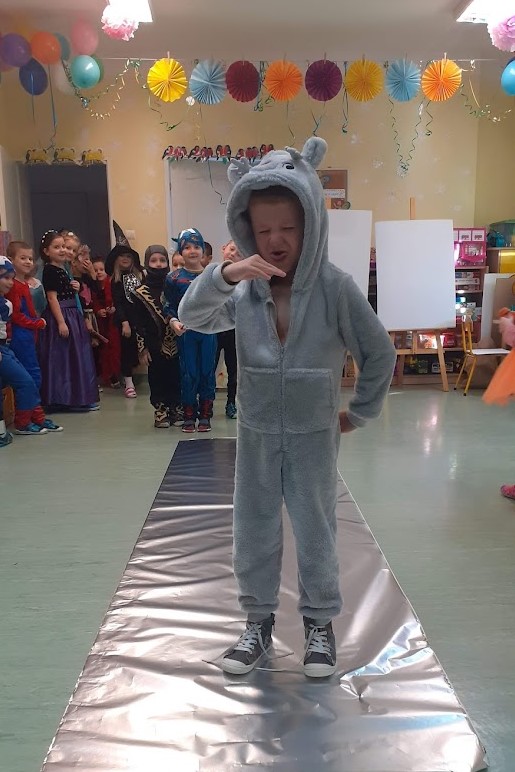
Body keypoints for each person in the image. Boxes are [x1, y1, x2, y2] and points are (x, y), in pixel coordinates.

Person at [178, 138, 396, 677]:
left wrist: (360, 412)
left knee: (316, 528)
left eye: (289, 229)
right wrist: (225, 274)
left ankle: (320, 623)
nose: (275, 241)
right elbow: (194, 316)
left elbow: (379, 352)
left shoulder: (335, 288)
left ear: (311, 225)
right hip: (256, 432)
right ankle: (257, 621)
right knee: (252, 527)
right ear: (247, 230)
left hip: (313, 435)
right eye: (263, 230)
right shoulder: (246, 289)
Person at [37, 231, 99, 411]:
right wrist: (61, 322)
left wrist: (76, 287)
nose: (63, 250)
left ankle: (77, 397)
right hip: (62, 315)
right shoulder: (50, 270)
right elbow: (52, 298)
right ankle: (62, 399)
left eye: (64, 246)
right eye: (57, 247)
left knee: (75, 357)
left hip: (72, 314)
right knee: (63, 358)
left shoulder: (64, 269)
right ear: (46, 251)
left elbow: (68, 291)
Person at [163, 228, 217, 432]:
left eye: (196, 246)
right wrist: (173, 322)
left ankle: (205, 415)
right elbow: (168, 305)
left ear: (203, 250)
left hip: (209, 332)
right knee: (189, 373)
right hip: (186, 333)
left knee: (207, 372)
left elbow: (221, 303)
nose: (192, 251)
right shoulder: (174, 278)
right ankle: (188, 414)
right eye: (187, 247)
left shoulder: (212, 276)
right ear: (180, 252)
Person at [0, 256, 60, 437]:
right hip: (13, 343)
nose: (10, 282)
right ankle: (23, 422)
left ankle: (34, 417)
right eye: (5, 277)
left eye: (11, 278)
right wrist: (37, 323)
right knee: (27, 381)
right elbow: (18, 317)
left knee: (30, 379)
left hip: (9, 345)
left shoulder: (9, 298)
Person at [132, 244, 181, 428]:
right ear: (146, 263)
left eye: (162, 260)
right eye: (153, 260)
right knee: (157, 377)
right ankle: (160, 410)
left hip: (177, 341)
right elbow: (138, 323)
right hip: (154, 343)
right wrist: (142, 348)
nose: (159, 264)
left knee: (176, 375)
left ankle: (176, 407)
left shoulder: (175, 288)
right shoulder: (139, 293)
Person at [105, 232, 143, 399]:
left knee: (143, 350)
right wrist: (124, 322)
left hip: (141, 318)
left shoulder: (140, 277)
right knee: (127, 351)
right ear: (116, 260)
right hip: (126, 319)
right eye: (122, 256)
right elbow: (118, 303)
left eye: (128, 256)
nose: (125, 259)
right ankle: (129, 383)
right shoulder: (116, 281)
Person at [216, 240, 241, 419]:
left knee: (234, 370)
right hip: (214, 331)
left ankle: (231, 403)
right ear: (223, 249)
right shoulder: (212, 275)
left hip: (234, 331)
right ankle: (205, 403)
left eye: (238, 253)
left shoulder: (244, 280)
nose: (233, 254)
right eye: (231, 249)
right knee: (209, 367)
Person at [91, 258, 121, 389]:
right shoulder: (92, 285)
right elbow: (91, 302)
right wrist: (98, 311)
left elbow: (117, 300)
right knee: (100, 349)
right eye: (95, 270)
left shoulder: (111, 283)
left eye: (101, 269)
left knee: (113, 347)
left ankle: (114, 374)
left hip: (112, 321)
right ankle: (102, 375)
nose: (98, 272)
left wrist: (112, 308)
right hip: (98, 322)